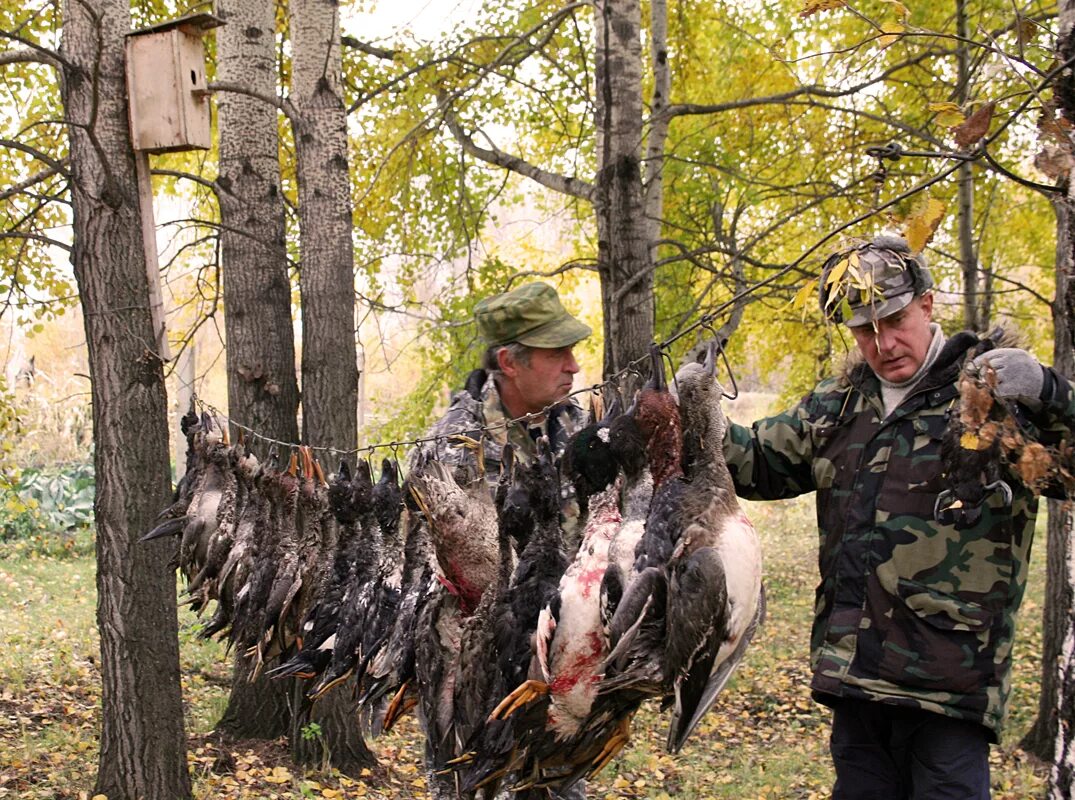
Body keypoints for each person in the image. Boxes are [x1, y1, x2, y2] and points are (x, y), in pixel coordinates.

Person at [722, 234, 1075, 800]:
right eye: (864, 330)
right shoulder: (839, 404)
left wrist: (1052, 392)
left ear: (928, 305)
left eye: (896, 319)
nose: (883, 343)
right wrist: (693, 419)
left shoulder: (990, 397)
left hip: (947, 692)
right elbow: (759, 462)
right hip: (856, 680)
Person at [419, 280, 592, 538]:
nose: (573, 366)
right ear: (509, 363)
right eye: (557, 354)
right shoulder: (452, 450)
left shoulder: (580, 425)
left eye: (572, 350)